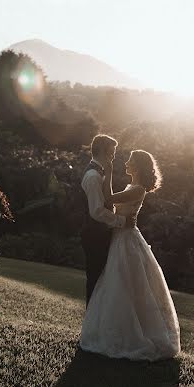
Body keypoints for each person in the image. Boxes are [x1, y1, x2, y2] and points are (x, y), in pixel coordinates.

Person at [80, 149, 181, 361]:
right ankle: (116, 330)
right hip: (120, 236)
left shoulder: (137, 189)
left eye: (131, 160)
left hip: (126, 240)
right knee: (117, 285)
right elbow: (110, 202)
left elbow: (108, 199)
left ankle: (133, 336)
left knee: (126, 285)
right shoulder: (131, 186)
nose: (126, 162)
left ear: (138, 166)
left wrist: (106, 172)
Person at [80, 135, 136, 306]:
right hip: (94, 234)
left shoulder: (100, 173)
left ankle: (96, 321)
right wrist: (121, 220)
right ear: (104, 151)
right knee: (96, 279)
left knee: (101, 280)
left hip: (100, 233)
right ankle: (91, 322)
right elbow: (96, 211)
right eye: (112, 153)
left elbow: (108, 199)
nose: (113, 156)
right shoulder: (93, 176)